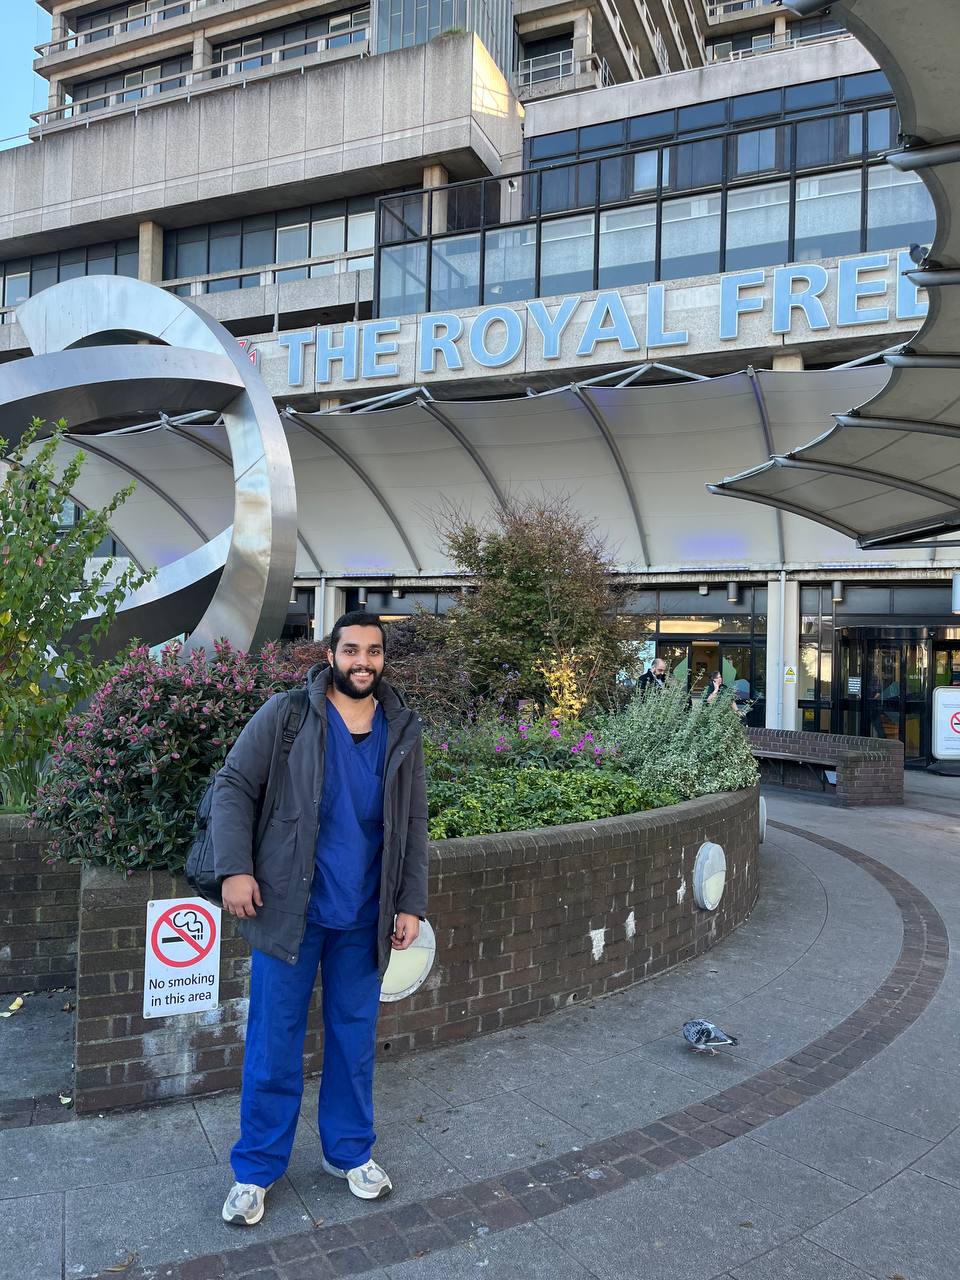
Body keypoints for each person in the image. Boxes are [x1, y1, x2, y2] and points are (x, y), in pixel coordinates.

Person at [211, 610, 428, 1226]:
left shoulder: (400, 727)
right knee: (273, 1044)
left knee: (354, 1041)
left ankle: (349, 1153)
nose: (363, 661)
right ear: (330, 654)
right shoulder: (288, 715)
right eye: (352, 649)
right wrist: (235, 868)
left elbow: (413, 819)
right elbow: (233, 785)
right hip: (289, 911)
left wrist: (410, 902)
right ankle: (256, 1170)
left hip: (364, 915)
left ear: (383, 659)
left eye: (374, 651)